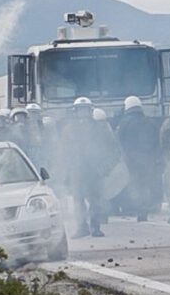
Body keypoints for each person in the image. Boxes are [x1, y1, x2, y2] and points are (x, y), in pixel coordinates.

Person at [61, 97, 106, 237]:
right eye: (80, 110)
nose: (83, 113)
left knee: (95, 200)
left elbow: (109, 146)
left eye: (85, 110)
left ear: (90, 111)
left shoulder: (99, 128)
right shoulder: (68, 130)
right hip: (77, 170)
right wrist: (66, 170)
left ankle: (96, 227)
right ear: (75, 112)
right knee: (78, 200)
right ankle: (81, 227)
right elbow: (64, 151)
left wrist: (104, 166)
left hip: (94, 169)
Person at [115, 96, 161, 222]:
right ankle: (145, 209)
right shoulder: (150, 122)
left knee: (135, 185)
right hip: (148, 159)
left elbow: (119, 142)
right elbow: (157, 141)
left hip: (131, 159)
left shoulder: (124, 123)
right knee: (145, 185)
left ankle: (136, 208)